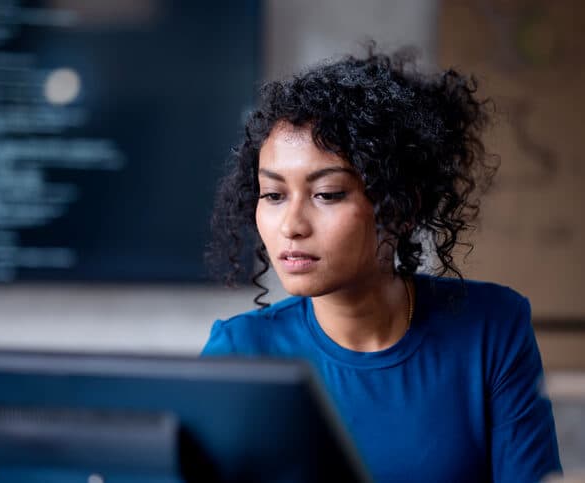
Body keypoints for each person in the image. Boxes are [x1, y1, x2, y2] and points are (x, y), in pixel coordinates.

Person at [201, 49, 562, 482]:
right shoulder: (240, 353)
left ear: (401, 206)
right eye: (274, 196)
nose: (291, 226)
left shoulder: (492, 328)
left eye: (327, 194)